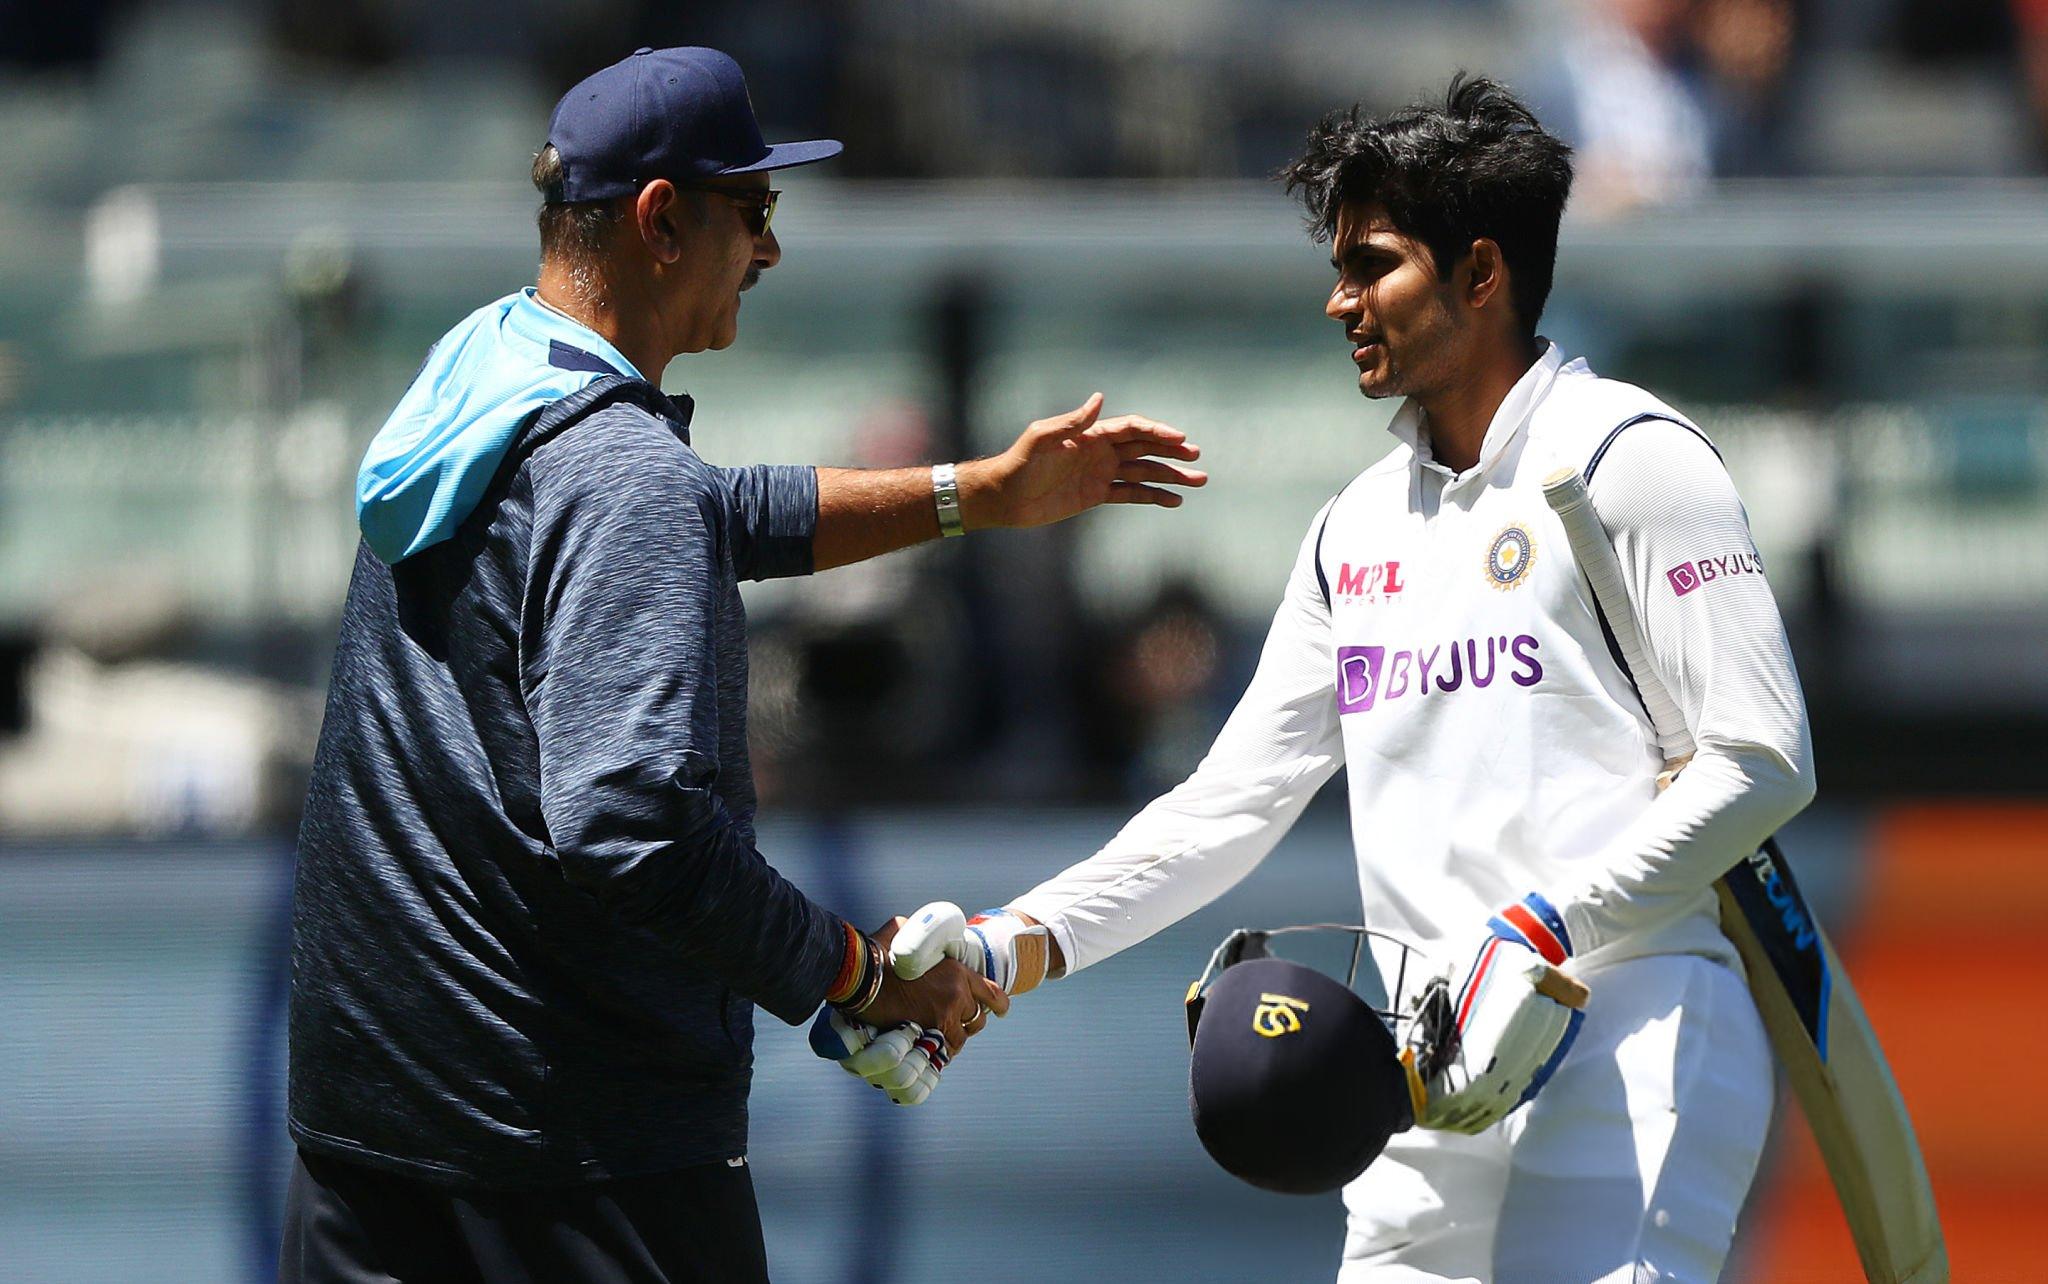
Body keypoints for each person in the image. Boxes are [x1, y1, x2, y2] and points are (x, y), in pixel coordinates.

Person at [280, 45, 1205, 1284]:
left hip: (369, 1139)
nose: (768, 252)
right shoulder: (623, 481)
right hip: (571, 1164)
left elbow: (716, 512)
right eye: (754, 212)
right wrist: (854, 973)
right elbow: (631, 825)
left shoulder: (482, 375)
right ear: (662, 221)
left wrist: (969, 494)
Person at [907, 77, 1815, 1283]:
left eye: (1371, 264)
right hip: (1415, 1079)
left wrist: (1543, 923)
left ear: (1479, 273)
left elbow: (1761, 760)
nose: (1339, 299)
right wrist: (1011, 942)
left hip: (1633, 1044)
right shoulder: (1354, 528)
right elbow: (1227, 805)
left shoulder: (1634, 461)